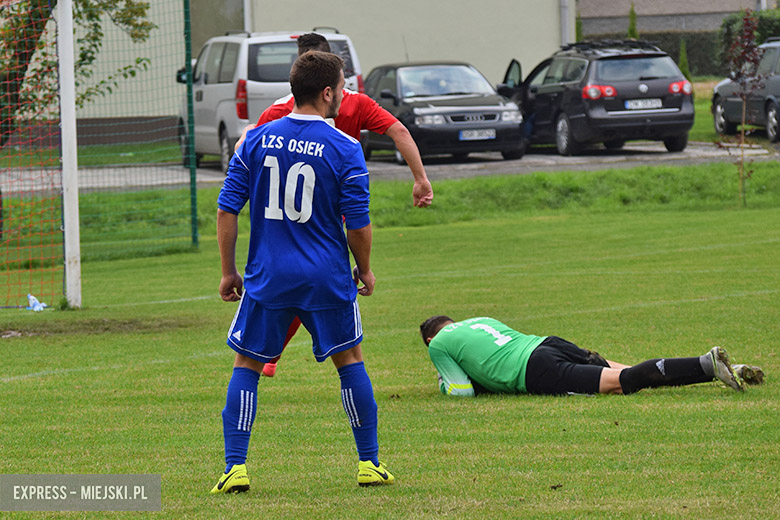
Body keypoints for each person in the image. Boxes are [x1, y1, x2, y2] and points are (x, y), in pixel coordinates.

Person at [211, 50, 395, 494]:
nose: (344, 95)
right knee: (350, 360)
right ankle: (369, 463)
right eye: (342, 88)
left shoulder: (255, 139)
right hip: (325, 276)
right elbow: (358, 224)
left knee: (247, 364)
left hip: (268, 276)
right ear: (328, 92)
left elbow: (226, 209)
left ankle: (235, 467)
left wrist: (228, 271)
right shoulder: (346, 147)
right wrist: (365, 269)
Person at [237, 32, 433, 379]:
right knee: (320, 284)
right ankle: (338, 360)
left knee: (290, 281)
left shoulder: (278, 112)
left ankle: (269, 354)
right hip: (332, 214)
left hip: (285, 219)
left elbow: (249, 151)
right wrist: (420, 178)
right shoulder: (356, 104)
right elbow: (399, 131)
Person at [419, 315, 765, 397]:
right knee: (628, 371)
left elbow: (461, 392)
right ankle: (720, 368)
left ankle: (706, 363)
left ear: (431, 337)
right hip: (547, 343)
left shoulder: (439, 344)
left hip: (535, 368)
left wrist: (444, 381)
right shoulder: (479, 320)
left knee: (623, 382)